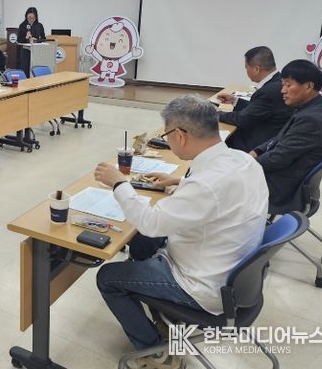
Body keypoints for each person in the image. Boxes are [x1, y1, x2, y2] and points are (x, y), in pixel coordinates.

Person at [94, 95, 268, 369]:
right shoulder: (243, 161)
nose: (169, 141)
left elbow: (150, 222)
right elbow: (213, 194)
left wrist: (119, 183)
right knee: (145, 246)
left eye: (167, 135)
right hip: (231, 272)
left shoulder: (205, 185)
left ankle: (155, 354)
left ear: (180, 135)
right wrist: (180, 181)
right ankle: (164, 321)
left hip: (201, 285)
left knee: (108, 276)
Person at [251, 59, 322, 214]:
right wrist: (257, 151)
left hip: (282, 189)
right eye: (283, 84)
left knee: (223, 182)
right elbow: (280, 137)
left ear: (309, 86)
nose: (282, 90)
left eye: (288, 85)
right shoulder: (314, 108)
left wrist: (245, 165)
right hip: (288, 176)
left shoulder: (312, 119)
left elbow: (277, 158)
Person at [217, 46, 292, 152]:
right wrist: (235, 101)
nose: (246, 71)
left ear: (256, 69)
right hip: (271, 135)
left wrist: (216, 114)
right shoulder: (278, 81)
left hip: (256, 144)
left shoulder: (268, 91)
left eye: (246, 67)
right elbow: (258, 109)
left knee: (216, 138)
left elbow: (242, 119)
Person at [17, 7, 46, 77]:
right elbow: (19, 40)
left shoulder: (39, 26)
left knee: (35, 71)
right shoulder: (22, 26)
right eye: (29, 18)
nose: (31, 20)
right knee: (25, 71)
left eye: (33, 18)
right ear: (26, 16)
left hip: (36, 52)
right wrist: (26, 37)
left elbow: (43, 39)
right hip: (25, 52)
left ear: (36, 17)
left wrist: (36, 40)